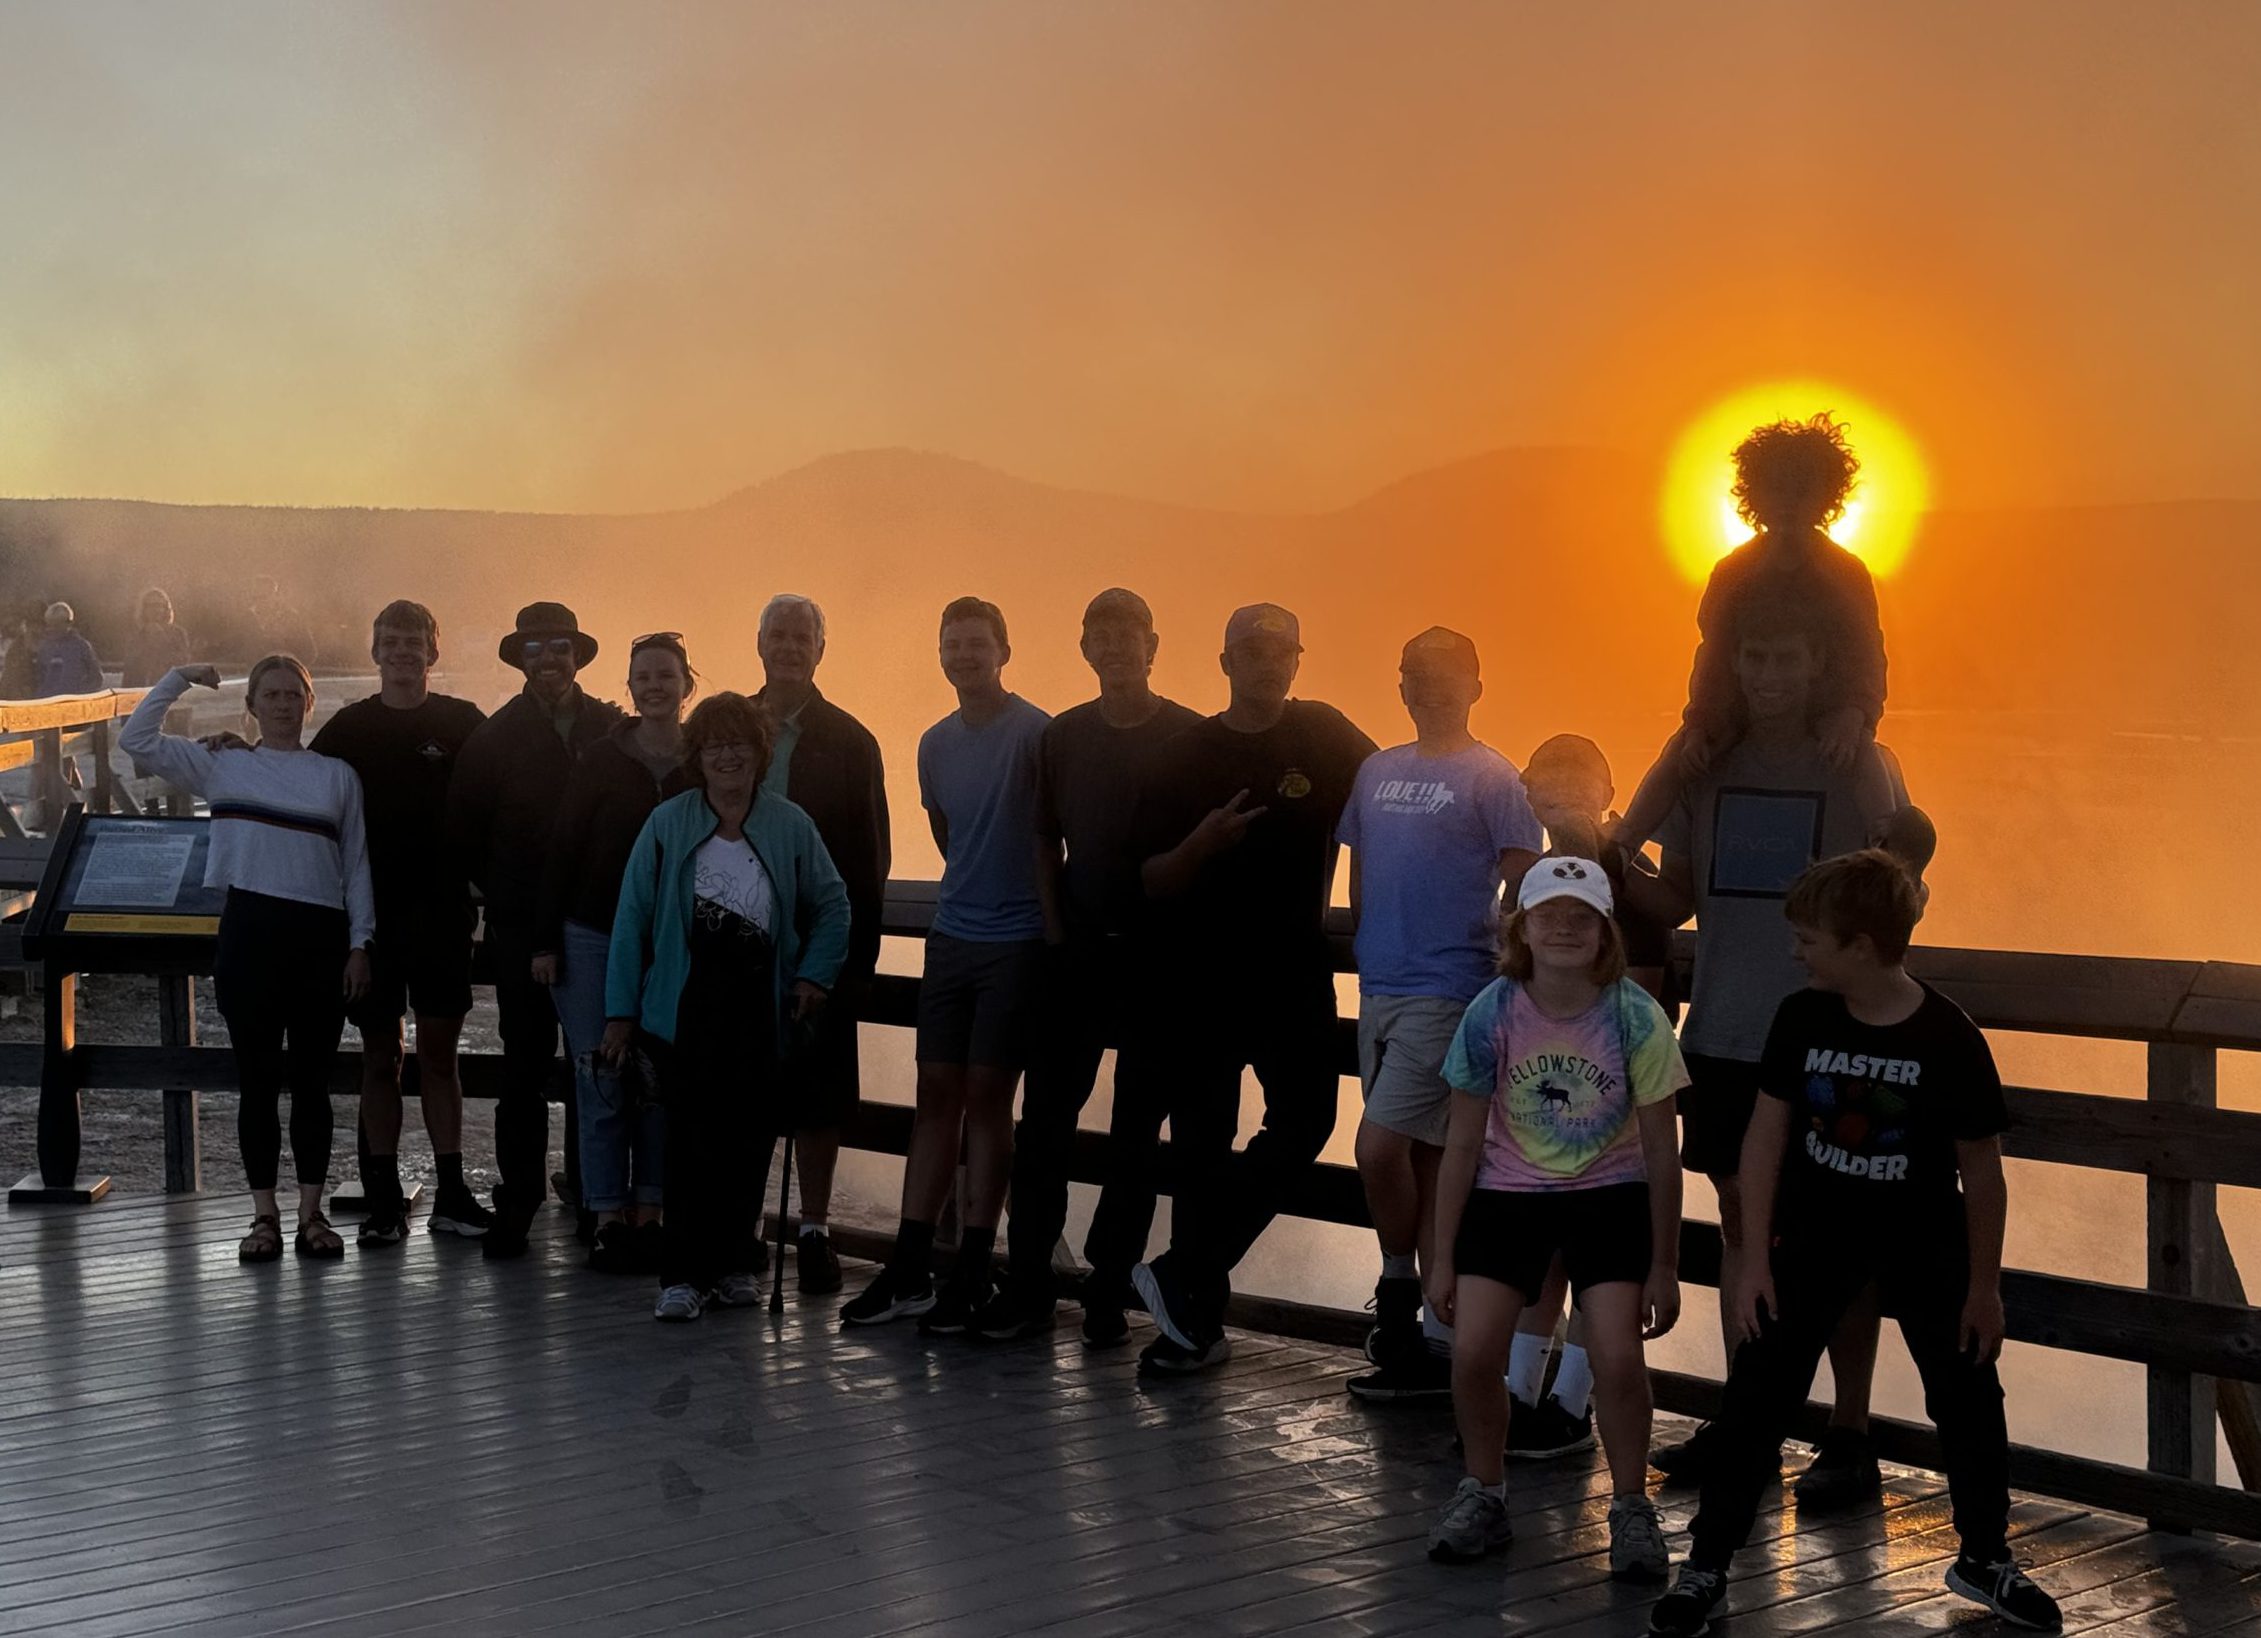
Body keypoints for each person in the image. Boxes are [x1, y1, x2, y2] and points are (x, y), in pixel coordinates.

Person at [1648, 851, 2061, 1636]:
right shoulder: (1801, 1017)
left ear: (1862, 945)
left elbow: (1983, 1173)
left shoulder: (1948, 1036)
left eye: (1808, 939)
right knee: (1756, 1398)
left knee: (1968, 1399)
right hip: (1811, 1236)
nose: (1795, 952)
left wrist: (1983, 1289)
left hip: (1923, 1241)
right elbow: (1764, 1138)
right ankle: (1706, 1565)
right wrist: (1754, 1264)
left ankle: (1984, 1557)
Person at [1632, 598, 1907, 1502]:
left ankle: (1850, 1432)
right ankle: (1746, 1419)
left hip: (1828, 1040)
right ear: (1728, 665)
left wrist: (1862, 738)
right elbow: (1669, 900)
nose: (1769, 676)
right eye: (1752, 658)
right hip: (1719, 1031)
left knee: (1840, 1240)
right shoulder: (1706, 764)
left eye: (1787, 656)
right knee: (1744, 1228)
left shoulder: (1857, 763)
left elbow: (1905, 884)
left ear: (1820, 665)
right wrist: (1588, 844)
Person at [1129, 603, 1378, 1374]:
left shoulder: (1327, 737)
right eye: (1251, 652)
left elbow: (1393, 800)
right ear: (1225, 662)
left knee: (1304, 1121)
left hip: (1292, 973)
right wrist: (1201, 843)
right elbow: (1149, 880)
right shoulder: (1183, 754)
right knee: (1200, 1146)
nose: (1267, 663)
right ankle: (1190, 1329)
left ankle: (1184, 1270)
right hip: (1197, 979)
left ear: (1297, 660)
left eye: (1281, 651)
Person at [1424, 858, 1684, 1575]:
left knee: (1617, 1356)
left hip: (1610, 1195)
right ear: (1522, 927)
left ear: (1606, 932)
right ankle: (1483, 1490)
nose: (1564, 928)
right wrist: (1442, 1257)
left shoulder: (1634, 1015)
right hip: (1508, 1194)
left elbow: (1663, 1151)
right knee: (1474, 1351)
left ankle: (1631, 1506)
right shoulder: (1493, 1011)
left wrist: (1664, 1262)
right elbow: (1461, 1142)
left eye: (1581, 917)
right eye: (1548, 916)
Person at [974, 588, 1201, 1345]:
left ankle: (1109, 1287)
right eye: (1099, 635)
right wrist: (1051, 927)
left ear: (1152, 644)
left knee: (1136, 1131)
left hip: (1159, 961)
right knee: (1044, 1123)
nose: (1114, 647)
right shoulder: (1064, 736)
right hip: (1073, 955)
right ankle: (1029, 1278)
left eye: (1127, 634)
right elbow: (1044, 840)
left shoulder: (1187, 738)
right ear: (1083, 649)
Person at [1337, 627, 1541, 1400]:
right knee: (1422, 1165)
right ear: (1399, 685)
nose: (1431, 687)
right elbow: (1359, 872)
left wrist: (1503, 970)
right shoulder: (1374, 771)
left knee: (1375, 1149)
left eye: (1449, 675)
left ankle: (1394, 1296)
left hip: (1449, 989)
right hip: (1379, 986)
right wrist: (1362, 950)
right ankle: (1434, 1340)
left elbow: (1519, 877)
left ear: (1476, 685)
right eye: (1416, 674)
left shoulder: (1494, 777)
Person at [602, 693, 852, 1322]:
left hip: (761, 1008)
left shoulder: (790, 825)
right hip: (684, 1006)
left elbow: (833, 904)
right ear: (698, 755)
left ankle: (737, 1263)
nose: (728, 755)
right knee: (688, 1142)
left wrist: (814, 977)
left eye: (740, 742)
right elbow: (631, 919)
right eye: (715, 744)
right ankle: (683, 1276)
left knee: (748, 1139)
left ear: (760, 752)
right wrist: (619, 1012)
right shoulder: (669, 824)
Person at [840, 597, 1049, 1332]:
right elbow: (946, 832)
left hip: (1016, 940)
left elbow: (1049, 840)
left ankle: (971, 1267)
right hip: (952, 935)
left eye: (977, 644)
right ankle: (909, 1265)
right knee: (936, 1094)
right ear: (940, 654)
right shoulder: (933, 744)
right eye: (952, 644)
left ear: (1003, 650)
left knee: (989, 1094)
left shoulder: (1036, 734)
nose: (964, 656)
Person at [120, 658, 374, 1261]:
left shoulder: (337, 777)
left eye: (294, 695)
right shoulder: (222, 765)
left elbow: (358, 866)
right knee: (257, 1085)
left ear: (310, 704)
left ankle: (312, 1217)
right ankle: (264, 1218)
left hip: (320, 937)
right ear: (252, 706)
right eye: (271, 695)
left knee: (311, 1086)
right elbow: (136, 739)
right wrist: (177, 676)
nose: (284, 705)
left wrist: (361, 943)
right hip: (250, 935)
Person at [1498, 733, 1679, 1459]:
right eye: (1550, 781)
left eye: (1583, 781)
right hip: (1544, 1096)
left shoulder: (1634, 873)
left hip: (1617, 1098)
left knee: (1604, 1255)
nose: (1567, 793)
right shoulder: (1530, 881)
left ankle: (1572, 1401)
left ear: (1611, 795)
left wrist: (1610, 853)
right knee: (1544, 1248)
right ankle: (1515, 1395)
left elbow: (1659, 960)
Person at [1615, 414, 1888, 851]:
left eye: (1801, 490)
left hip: (1826, 708)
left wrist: (1855, 714)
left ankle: (1893, 855)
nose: (1788, 502)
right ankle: (1621, 846)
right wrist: (1702, 725)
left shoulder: (1847, 573)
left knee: (1867, 762)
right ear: (1755, 494)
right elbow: (1714, 657)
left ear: (1826, 496)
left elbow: (1866, 656)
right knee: (1677, 754)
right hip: (1744, 706)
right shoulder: (1732, 572)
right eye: (1776, 488)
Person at [309, 601, 494, 1245]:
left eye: (414, 642)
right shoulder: (347, 730)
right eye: (391, 642)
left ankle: (452, 1193)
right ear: (375, 651)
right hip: (371, 918)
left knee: (440, 1057)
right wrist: (235, 756)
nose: (403, 653)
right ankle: (383, 1198)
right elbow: (300, 789)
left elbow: (504, 796)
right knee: (380, 1055)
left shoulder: (464, 723)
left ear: (433, 652)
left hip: (443, 912)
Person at [448, 602, 625, 1259]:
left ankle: (590, 1196)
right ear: (518, 658)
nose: (548, 660)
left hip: (596, 926)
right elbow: (464, 836)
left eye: (559, 647)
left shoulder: (611, 731)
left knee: (593, 1066)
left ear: (577, 655)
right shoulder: (494, 739)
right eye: (534, 649)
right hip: (521, 932)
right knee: (522, 1069)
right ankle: (518, 1201)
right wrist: (505, 899)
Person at [536, 631, 698, 1272]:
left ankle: (650, 1213)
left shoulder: (703, 761)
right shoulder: (602, 760)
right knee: (601, 1076)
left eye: (666, 675)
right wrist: (546, 940)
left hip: (671, 944)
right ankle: (604, 1216)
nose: (655, 686)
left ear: (687, 684)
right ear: (629, 688)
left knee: (656, 1079)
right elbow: (563, 848)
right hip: (593, 937)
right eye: (643, 677)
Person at [753, 594, 891, 1296]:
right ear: (758, 644)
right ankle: (743, 1228)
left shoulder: (850, 739)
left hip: (820, 944)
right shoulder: (728, 728)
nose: (787, 646)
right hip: (738, 943)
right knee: (745, 1088)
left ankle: (812, 1229)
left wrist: (853, 965)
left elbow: (870, 863)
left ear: (819, 648)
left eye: (800, 636)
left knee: (819, 1095)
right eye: (776, 634)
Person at [123, 588, 193, 688]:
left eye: (160, 605)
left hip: (168, 689)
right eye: (151, 606)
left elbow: (182, 662)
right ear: (144, 609)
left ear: (166, 608)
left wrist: (160, 637)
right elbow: (130, 668)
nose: (156, 610)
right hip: (141, 689)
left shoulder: (178, 634)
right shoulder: (136, 635)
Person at [35, 602, 104, 697]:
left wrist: (81, 695)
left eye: (58, 624)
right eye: (51, 624)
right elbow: (38, 676)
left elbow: (96, 679)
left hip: (74, 704)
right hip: (49, 703)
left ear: (69, 623)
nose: (54, 629)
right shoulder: (44, 647)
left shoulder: (81, 647)